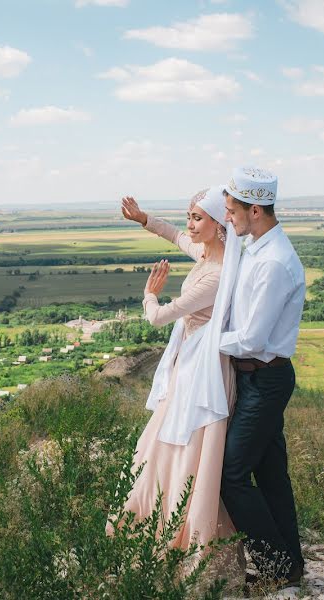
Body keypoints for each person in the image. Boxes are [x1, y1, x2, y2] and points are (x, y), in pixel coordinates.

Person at [109, 188, 241, 558]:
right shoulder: (209, 253)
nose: (190, 225)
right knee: (169, 443)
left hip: (200, 373)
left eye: (198, 218)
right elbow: (175, 235)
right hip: (192, 362)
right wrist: (144, 219)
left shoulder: (216, 276)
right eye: (190, 215)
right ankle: (159, 517)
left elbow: (159, 317)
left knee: (182, 447)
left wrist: (150, 294)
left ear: (220, 224)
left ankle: (177, 530)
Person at [218, 165, 306, 586]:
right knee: (271, 476)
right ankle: (291, 567)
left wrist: (209, 342)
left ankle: (275, 568)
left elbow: (252, 338)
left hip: (265, 380)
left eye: (232, 210)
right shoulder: (254, 247)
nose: (227, 217)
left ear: (255, 210)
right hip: (256, 379)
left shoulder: (273, 262)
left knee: (230, 474)